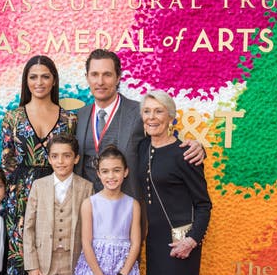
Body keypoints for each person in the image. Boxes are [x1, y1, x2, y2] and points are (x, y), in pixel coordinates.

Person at [75, 49, 205, 198]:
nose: (100, 81)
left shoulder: (140, 112)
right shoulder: (79, 116)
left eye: (107, 75)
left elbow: (164, 143)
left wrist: (197, 148)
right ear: (87, 77)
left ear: (118, 78)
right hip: (88, 208)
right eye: (94, 74)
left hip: (129, 208)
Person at [1, 55, 77, 275]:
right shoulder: (12, 118)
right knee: (22, 260)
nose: (39, 82)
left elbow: (74, 160)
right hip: (20, 198)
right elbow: (7, 163)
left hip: (58, 195)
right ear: (26, 81)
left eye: (45, 76)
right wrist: (11, 204)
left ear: (54, 80)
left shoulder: (69, 119)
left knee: (53, 261)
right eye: (33, 77)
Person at [136, 90, 212, 275]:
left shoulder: (185, 153)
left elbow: (203, 204)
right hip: (154, 244)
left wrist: (192, 240)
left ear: (171, 117)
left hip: (181, 244)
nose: (152, 117)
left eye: (158, 111)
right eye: (147, 111)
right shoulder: (142, 147)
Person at [22, 134, 94, 275]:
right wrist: (32, 265)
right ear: (49, 159)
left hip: (74, 261)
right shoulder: (39, 186)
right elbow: (29, 227)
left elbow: (91, 228)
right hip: (44, 260)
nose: (60, 161)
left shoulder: (86, 188)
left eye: (66, 156)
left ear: (76, 159)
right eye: (55, 156)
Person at [69, 145, 142, 275]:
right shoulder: (89, 204)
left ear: (125, 172)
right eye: (105, 171)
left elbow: (135, 244)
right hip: (94, 270)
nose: (111, 176)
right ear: (98, 174)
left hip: (124, 269)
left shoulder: (133, 205)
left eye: (117, 170)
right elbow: (86, 243)